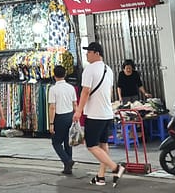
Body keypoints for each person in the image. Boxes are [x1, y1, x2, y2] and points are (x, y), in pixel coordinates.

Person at [73, 42, 126, 188]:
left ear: (97, 53)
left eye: (89, 52)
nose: (86, 54)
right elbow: (109, 91)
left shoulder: (89, 69)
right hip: (107, 113)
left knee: (91, 145)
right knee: (103, 145)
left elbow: (85, 92)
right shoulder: (108, 69)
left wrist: (78, 111)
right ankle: (101, 176)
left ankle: (116, 168)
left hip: (95, 114)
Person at [48, 65, 77, 175]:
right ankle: (68, 167)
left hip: (60, 117)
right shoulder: (71, 87)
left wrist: (51, 123)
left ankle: (67, 161)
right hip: (70, 116)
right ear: (65, 74)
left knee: (56, 142)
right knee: (67, 142)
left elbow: (52, 107)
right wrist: (76, 117)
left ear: (54, 75)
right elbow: (75, 104)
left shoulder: (53, 89)